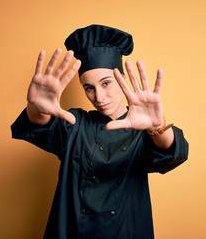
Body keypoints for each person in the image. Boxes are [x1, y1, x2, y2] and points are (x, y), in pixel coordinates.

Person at [11, 24, 188, 239]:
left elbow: (174, 152)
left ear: (122, 78)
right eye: (89, 88)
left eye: (106, 83)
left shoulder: (144, 132)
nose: (99, 97)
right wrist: (36, 108)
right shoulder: (75, 124)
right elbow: (39, 125)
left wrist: (155, 126)